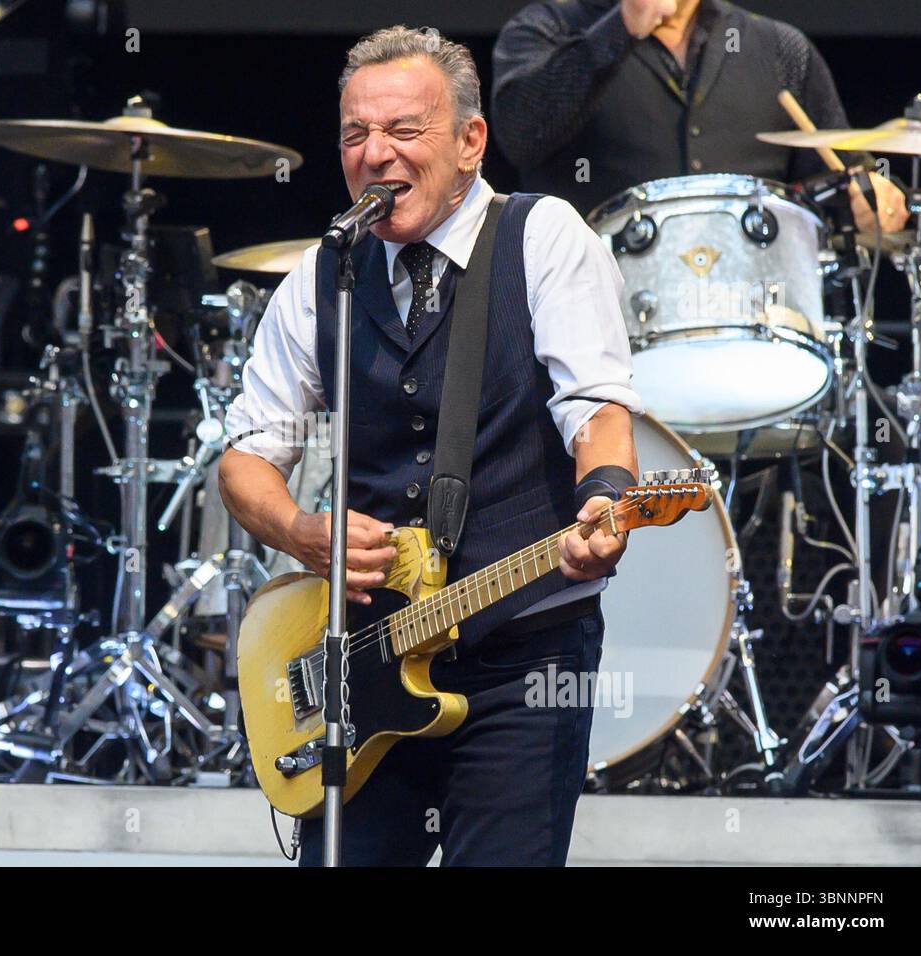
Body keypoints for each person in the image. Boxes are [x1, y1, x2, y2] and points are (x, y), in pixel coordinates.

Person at [219, 25, 642, 866]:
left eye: (404, 131)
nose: (375, 154)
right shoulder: (323, 274)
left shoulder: (543, 234)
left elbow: (594, 403)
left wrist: (606, 490)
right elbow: (245, 457)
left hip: (522, 651)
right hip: (366, 661)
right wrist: (303, 533)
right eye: (354, 134)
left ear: (470, 141)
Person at [491, 0, 908, 231]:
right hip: (591, 329)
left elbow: (842, 181)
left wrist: (872, 202)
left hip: (754, 322)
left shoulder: (778, 47)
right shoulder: (546, 28)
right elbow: (519, 135)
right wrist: (620, 30)